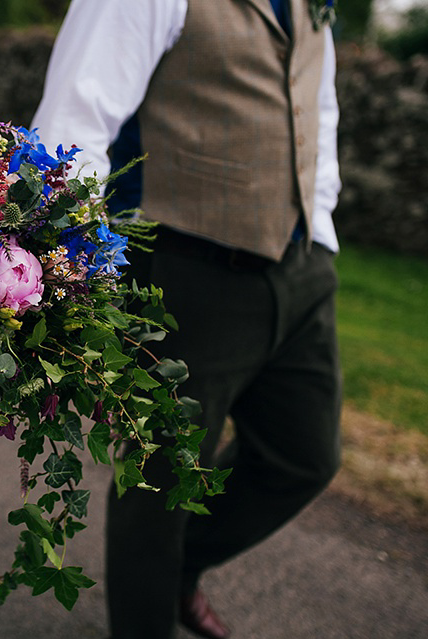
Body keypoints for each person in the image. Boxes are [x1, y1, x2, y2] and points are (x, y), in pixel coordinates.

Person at [32, 1, 342, 638]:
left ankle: (173, 568)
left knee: (304, 457)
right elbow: (74, 122)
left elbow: (317, 98)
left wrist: (321, 219)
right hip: (185, 267)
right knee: (158, 483)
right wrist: (73, 267)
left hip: (303, 261)